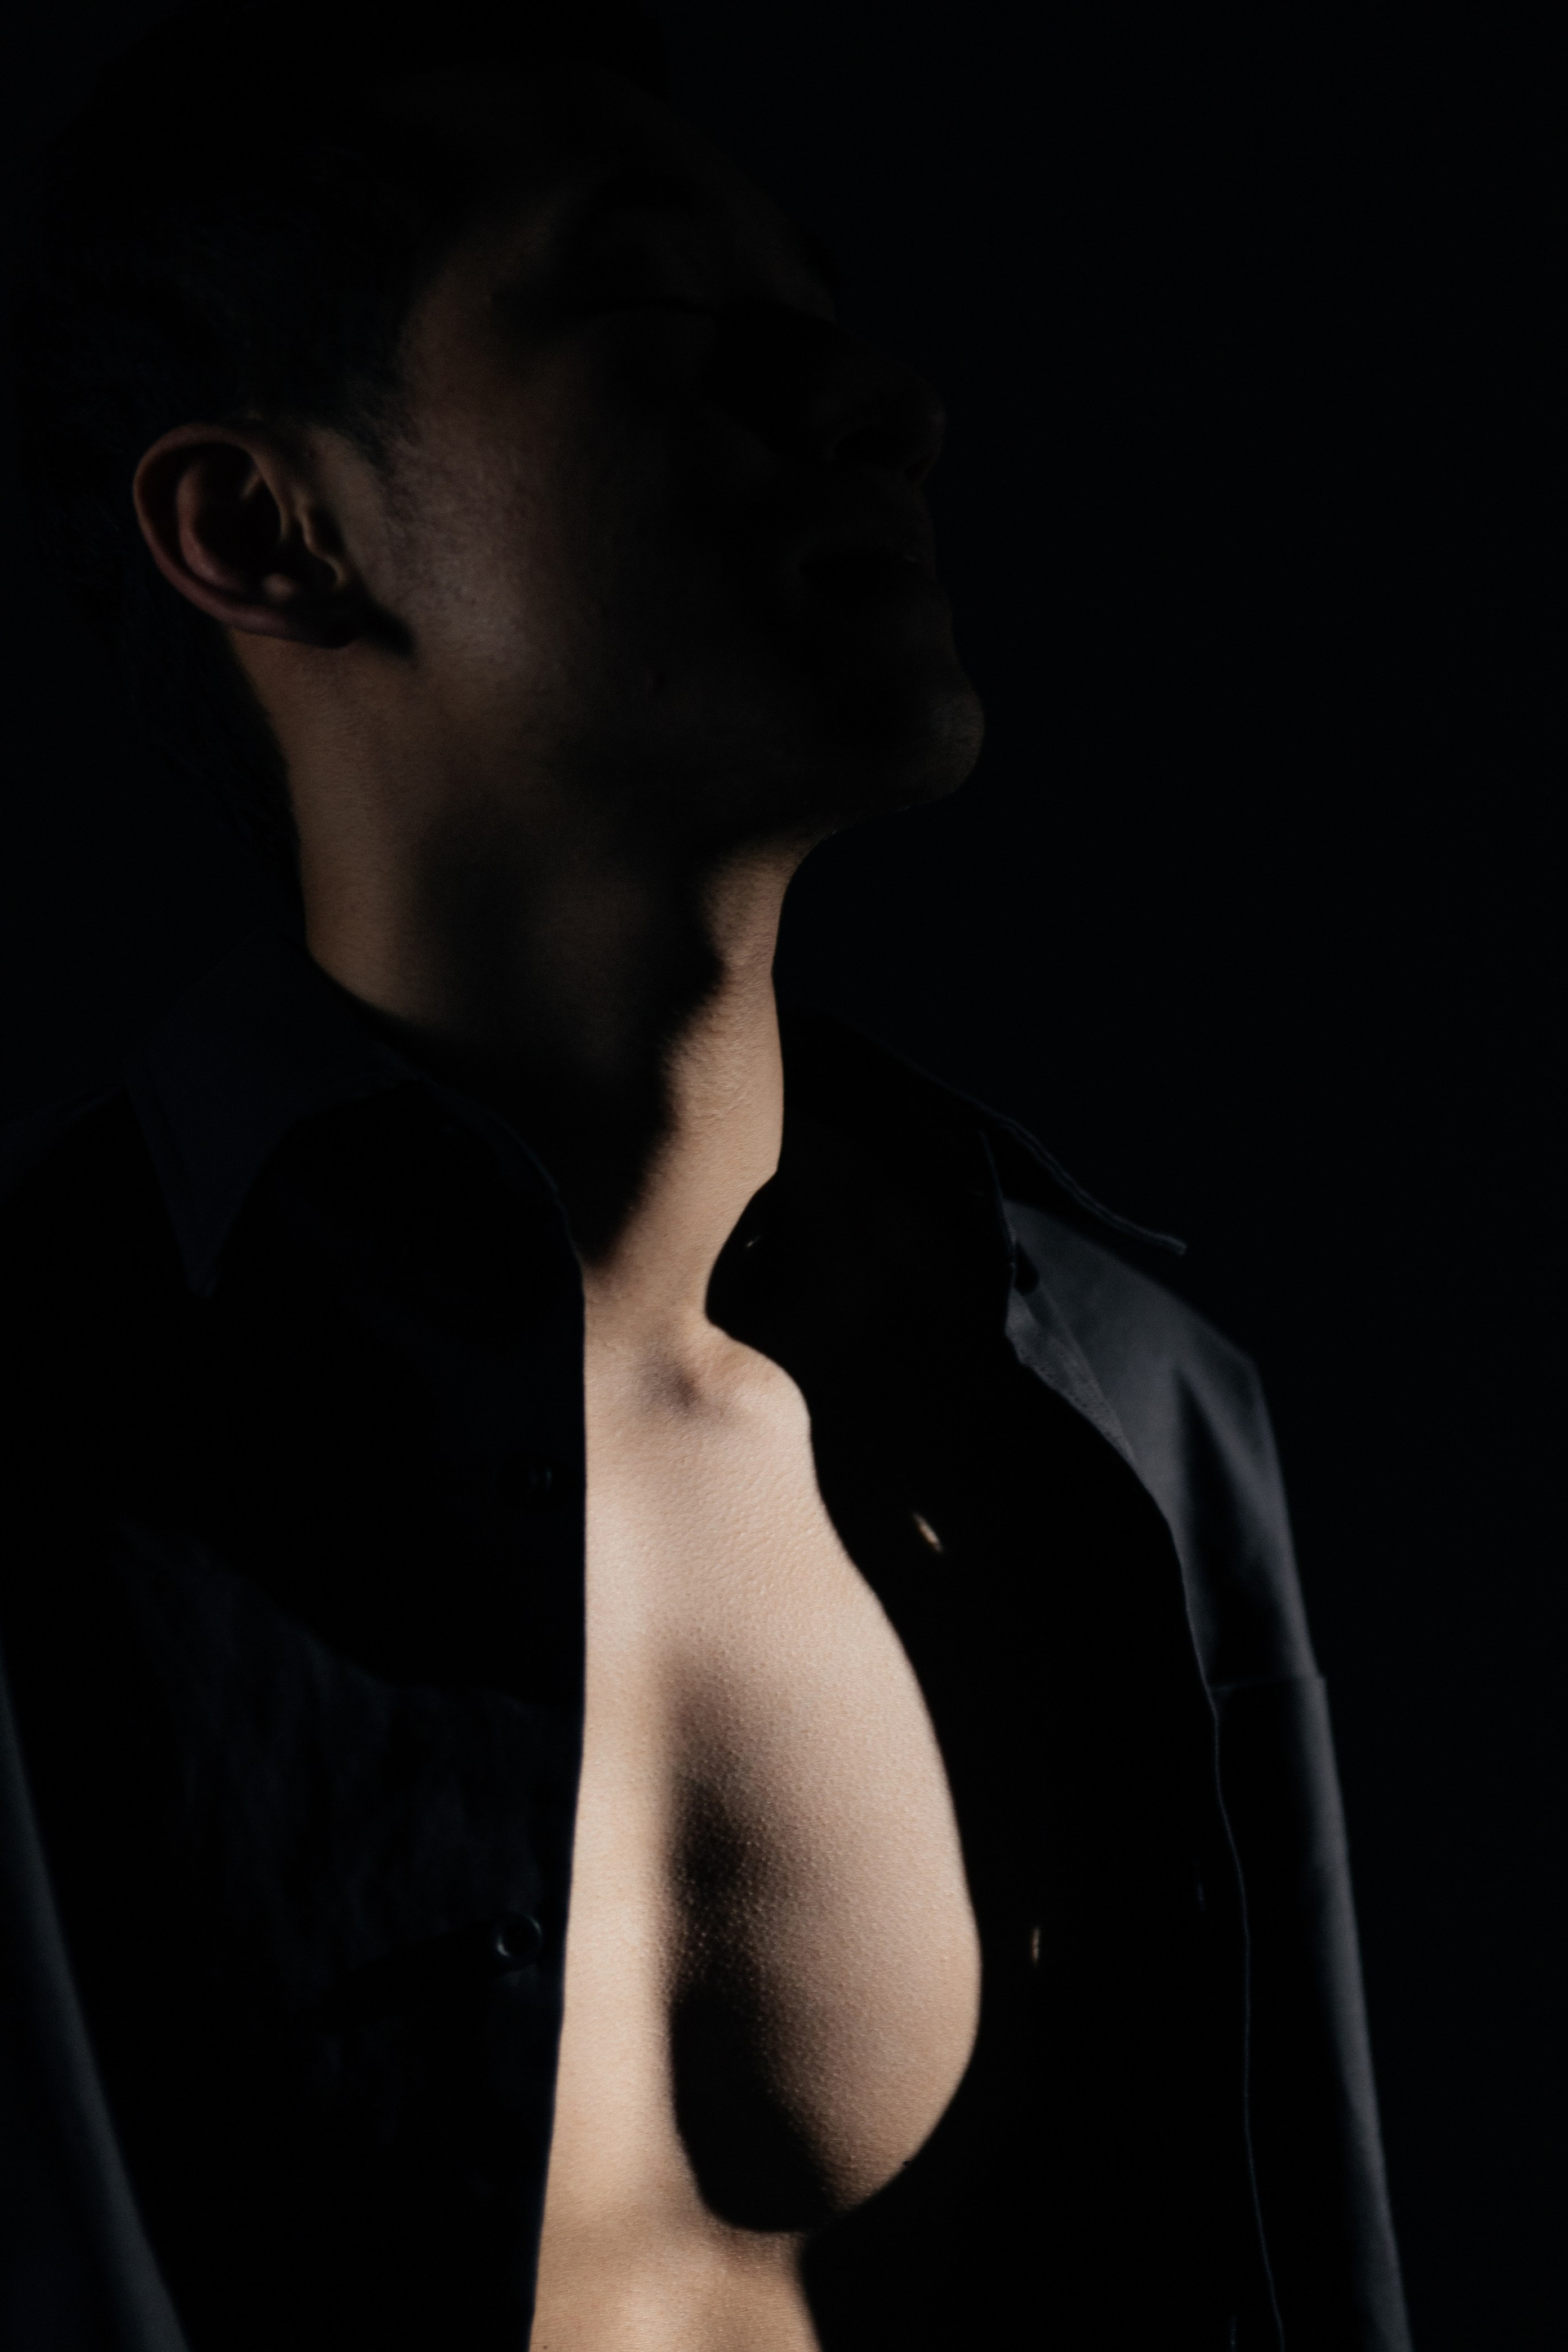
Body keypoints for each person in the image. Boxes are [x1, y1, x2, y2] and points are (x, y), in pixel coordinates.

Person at [0, 4, 1410, 2346]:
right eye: (657, 309)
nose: (884, 406)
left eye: (828, 317)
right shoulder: (43, 1411)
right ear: (264, 528)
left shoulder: (1128, 1416)